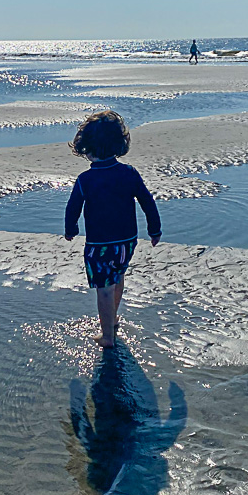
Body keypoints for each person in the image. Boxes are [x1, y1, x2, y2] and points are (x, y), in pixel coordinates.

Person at [64, 110, 161, 348]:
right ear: (119, 143)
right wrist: (154, 229)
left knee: (104, 288)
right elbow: (147, 201)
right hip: (127, 241)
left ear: (86, 146)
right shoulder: (128, 173)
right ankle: (113, 319)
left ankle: (107, 335)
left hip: (99, 244)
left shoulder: (85, 179)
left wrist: (70, 229)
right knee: (118, 277)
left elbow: (73, 207)